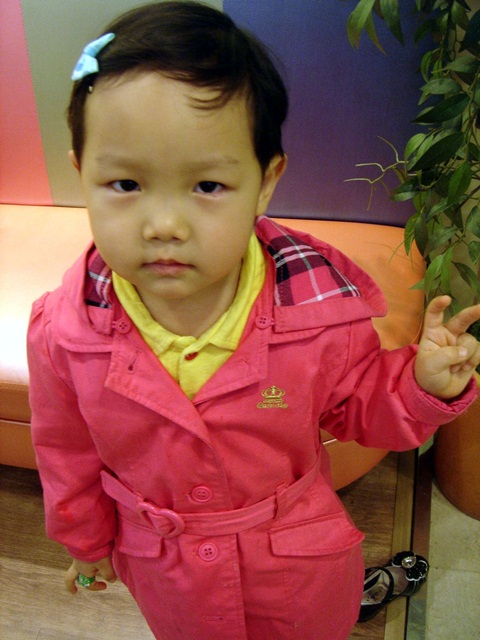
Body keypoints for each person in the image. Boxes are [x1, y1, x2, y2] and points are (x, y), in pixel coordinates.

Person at [27, 3, 480, 639]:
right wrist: (84, 540)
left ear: (266, 182)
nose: (164, 225)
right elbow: (65, 452)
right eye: (125, 184)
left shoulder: (317, 313)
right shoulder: (63, 333)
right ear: (83, 173)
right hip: (168, 573)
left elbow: (359, 405)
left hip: (295, 564)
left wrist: (421, 385)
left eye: (208, 187)